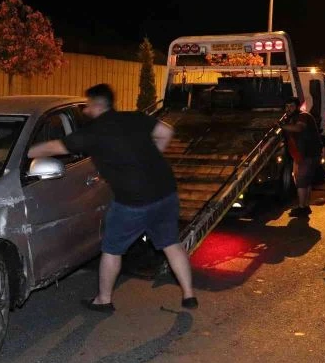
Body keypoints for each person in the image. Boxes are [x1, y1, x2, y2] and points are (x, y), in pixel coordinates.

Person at [27, 84, 198, 312]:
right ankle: (188, 295)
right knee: (171, 244)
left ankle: (103, 300)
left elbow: (54, 147)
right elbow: (166, 132)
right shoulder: (134, 118)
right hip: (165, 193)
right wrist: (150, 158)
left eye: (88, 106)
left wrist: (24, 152)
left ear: (97, 104)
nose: (86, 111)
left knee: (112, 250)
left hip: (132, 202)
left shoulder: (93, 133)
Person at [281, 96, 323, 217]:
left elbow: (299, 128)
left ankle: (302, 208)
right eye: (287, 106)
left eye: (291, 106)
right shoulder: (292, 118)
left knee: (302, 182)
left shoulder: (303, 116)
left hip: (307, 154)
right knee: (305, 182)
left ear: (297, 107)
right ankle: (305, 205)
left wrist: (281, 126)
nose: (288, 109)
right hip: (300, 155)